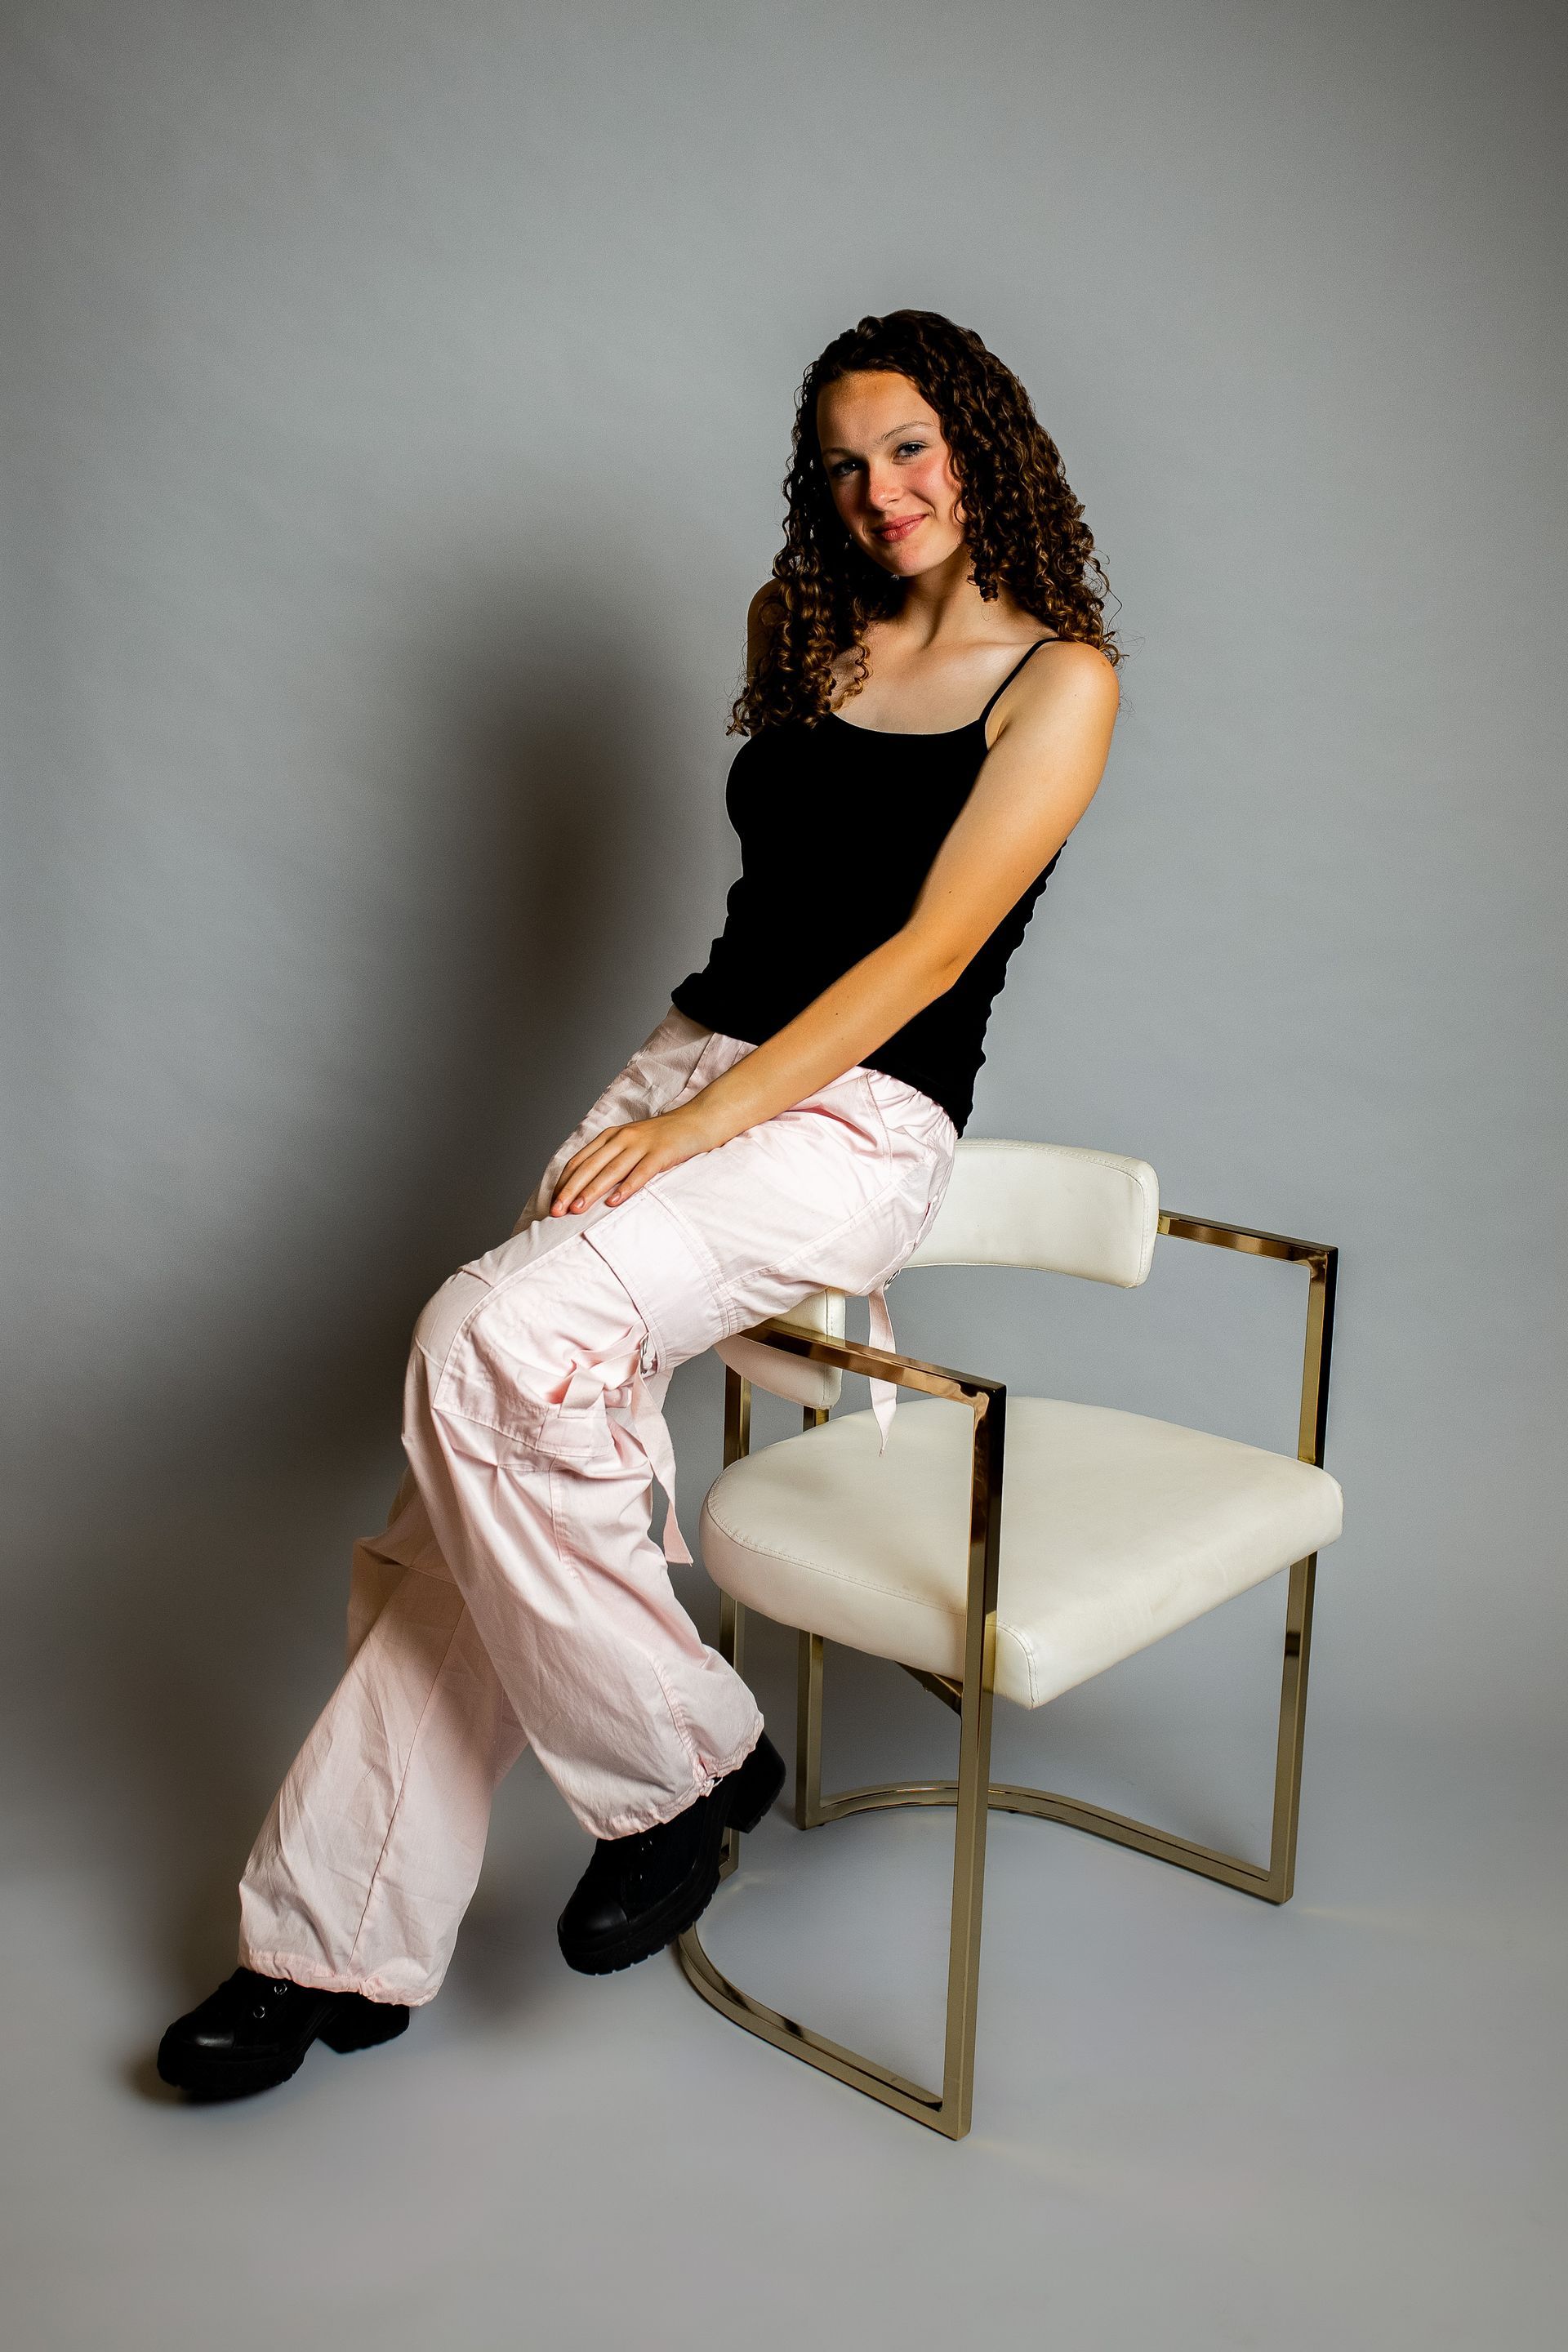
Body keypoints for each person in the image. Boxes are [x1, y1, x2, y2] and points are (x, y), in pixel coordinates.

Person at [156, 307, 1121, 2100]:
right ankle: (329, 1946)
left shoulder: (1055, 681)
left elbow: (925, 952)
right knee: (471, 1480)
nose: (881, 489)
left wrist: (707, 1128)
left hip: (848, 1118)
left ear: (985, 444)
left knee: (484, 1341)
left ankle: (686, 1761)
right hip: (683, 1067)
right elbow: (770, 915)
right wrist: (671, 1105)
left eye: (911, 446)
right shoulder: (801, 626)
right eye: (843, 461)